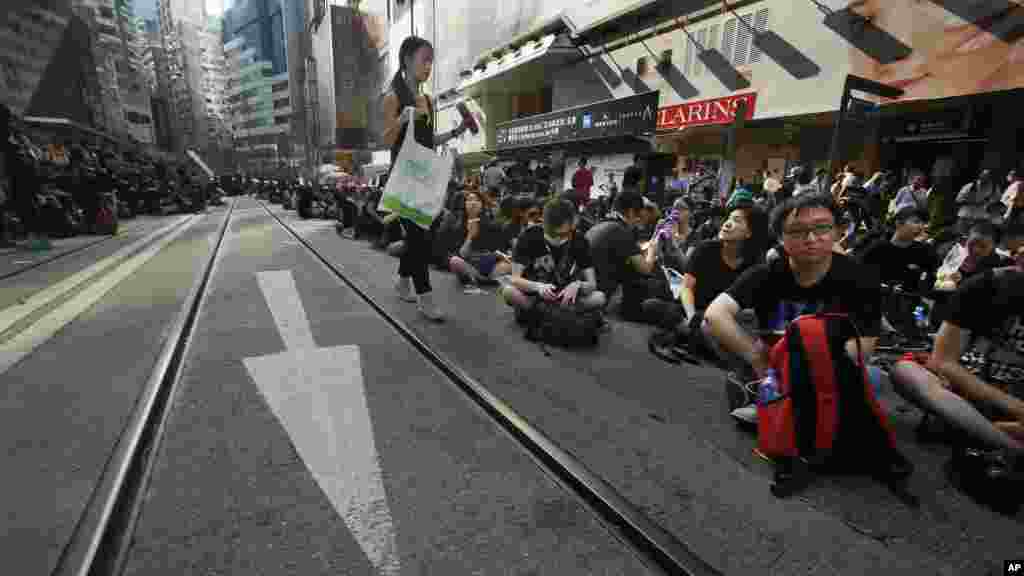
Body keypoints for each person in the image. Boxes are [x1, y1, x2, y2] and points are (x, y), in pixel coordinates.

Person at [704, 193, 883, 422]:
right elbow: (715, 313)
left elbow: (865, 344)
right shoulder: (766, 274)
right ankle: (775, 400)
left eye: (821, 228)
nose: (810, 238)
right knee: (709, 327)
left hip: (827, 367)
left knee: (872, 376)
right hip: (771, 361)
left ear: (838, 232)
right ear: (780, 238)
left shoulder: (861, 279)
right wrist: (757, 358)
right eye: (797, 231)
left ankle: (786, 406)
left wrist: (804, 373)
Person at [889, 267, 1024, 477]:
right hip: (968, 390)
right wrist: (1015, 407)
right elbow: (943, 362)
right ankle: (1008, 444)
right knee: (905, 371)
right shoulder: (987, 285)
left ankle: (982, 434)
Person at [380, 36, 470, 321]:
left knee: (424, 236)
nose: (429, 66)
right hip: (402, 176)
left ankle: (402, 280)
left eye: (431, 60)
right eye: (424, 60)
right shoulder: (392, 97)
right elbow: (386, 139)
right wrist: (402, 119)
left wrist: (457, 132)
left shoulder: (428, 100)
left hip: (423, 176)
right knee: (418, 237)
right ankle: (425, 297)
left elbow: (428, 140)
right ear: (407, 60)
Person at [500, 197, 606, 322]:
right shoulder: (528, 236)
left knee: (599, 297)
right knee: (508, 291)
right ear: (543, 224)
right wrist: (537, 287)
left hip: (565, 297)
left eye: (564, 234)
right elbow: (515, 279)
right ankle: (556, 316)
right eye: (552, 234)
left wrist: (578, 285)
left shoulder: (580, 240)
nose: (558, 239)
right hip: (536, 295)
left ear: (573, 223)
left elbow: (592, 285)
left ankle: (541, 315)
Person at [585, 191, 662, 322]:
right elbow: (645, 269)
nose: (641, 218)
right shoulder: (620, 230)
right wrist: (652, 250)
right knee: (645, 276)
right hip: (598, 295)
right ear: (631, 212)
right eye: (640, 213)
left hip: (588, 288)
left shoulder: (603, 224)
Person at [447, 189, 514, 293]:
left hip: (490, 265)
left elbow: (497, 249)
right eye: (469, 200)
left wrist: (502, 256)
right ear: (464, 204)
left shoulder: (491, 225)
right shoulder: (458, 226)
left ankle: (482, 279)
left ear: (482, 205)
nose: (473, 203)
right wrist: (470, 236)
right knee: (454, 261)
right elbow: (461, 254)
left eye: (477, 200)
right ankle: (483, 279)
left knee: (508, 266)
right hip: (470, 265)